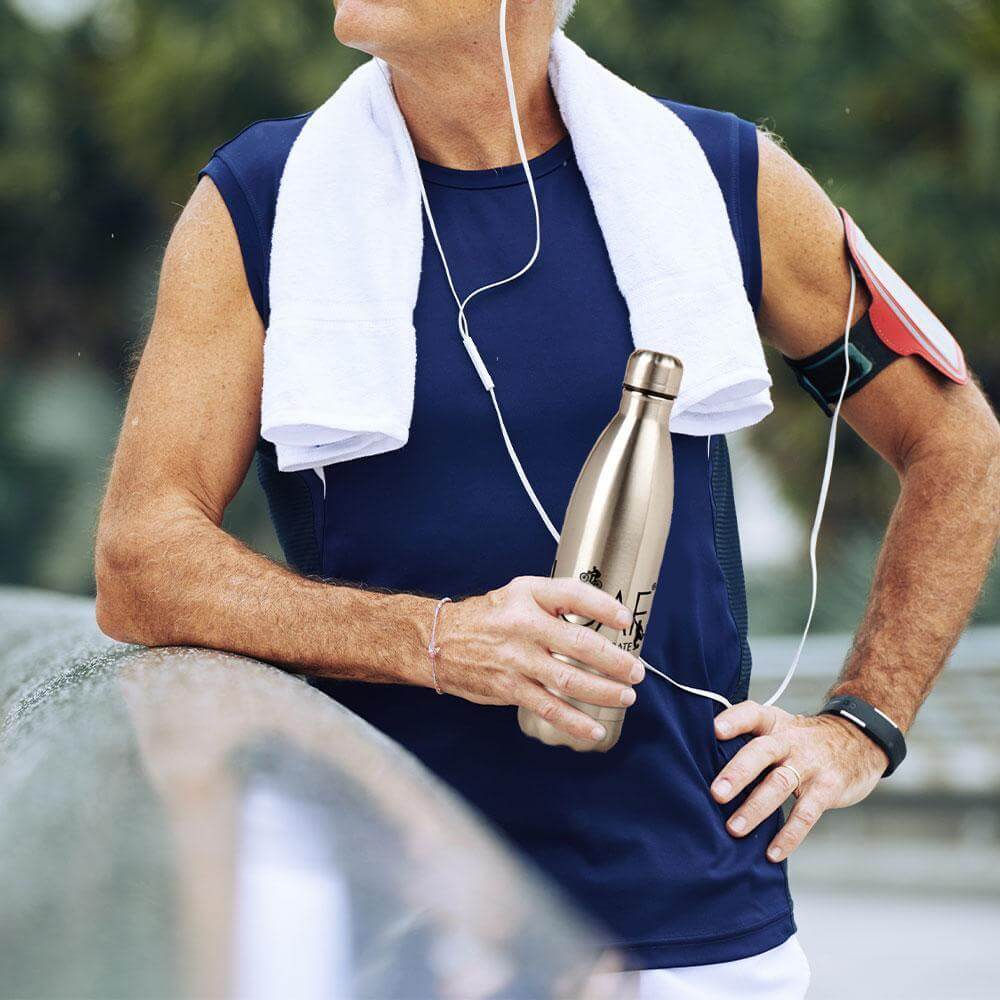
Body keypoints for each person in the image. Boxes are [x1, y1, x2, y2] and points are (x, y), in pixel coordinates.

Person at [94, 1, 1000, 996]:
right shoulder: (260, 201)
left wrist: (863, 724)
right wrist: (435, 639)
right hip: (395, 919)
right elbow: (142, 558)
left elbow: (956, 442)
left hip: (693, 919)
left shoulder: (716, 175)